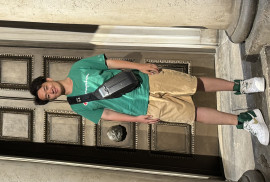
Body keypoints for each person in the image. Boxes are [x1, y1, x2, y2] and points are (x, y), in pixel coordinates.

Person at [29, 54, 269, 145]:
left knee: (194, 84)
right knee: (192, 115)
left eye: (47, 88)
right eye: (48, 96)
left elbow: (109, 63)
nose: (51, 92)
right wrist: (137, 120)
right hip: (143, 106)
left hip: (145, 81)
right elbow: (107, 114)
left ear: (48, 79)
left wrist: (140, 66)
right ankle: (246, 120)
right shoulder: (76, 105)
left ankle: (242, 85)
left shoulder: (78, 68)